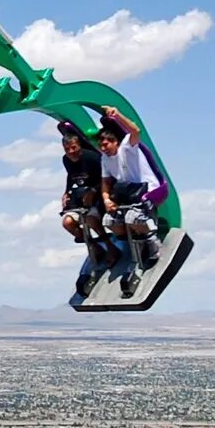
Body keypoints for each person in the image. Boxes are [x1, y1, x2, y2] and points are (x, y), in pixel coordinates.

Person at [93, 110, 161, 286]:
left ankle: (152, 242)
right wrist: (107, 200)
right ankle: (133, 246)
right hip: (128, 194)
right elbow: (106, 183)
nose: (103, 148)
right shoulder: (105, 159)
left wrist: (117, 114)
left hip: (147, 190)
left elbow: (135, 130)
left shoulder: (127, 147)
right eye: (101, 145)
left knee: (132, 217)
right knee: (109, 221)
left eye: (106, 144)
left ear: (115, 142)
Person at [56, 119, 110, 299]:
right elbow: (72, 177)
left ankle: (110, 248)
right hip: (80, 196)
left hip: (98, 193)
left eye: (74, 148)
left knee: (92, 219)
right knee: (68, 223)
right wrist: (66, 193)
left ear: (79, 145)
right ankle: (94, 246)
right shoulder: (67, 160)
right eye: (68, 149)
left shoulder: (92, 158)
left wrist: (95, 191)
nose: (71, 152)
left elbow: (106, 177)